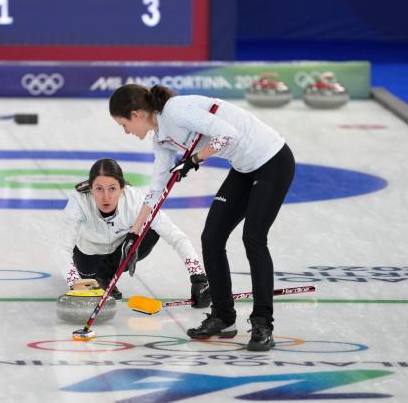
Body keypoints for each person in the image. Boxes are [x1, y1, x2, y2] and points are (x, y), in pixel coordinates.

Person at [109, 84, 295, 351]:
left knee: (253, 238)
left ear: (136, 114)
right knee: (212, 237)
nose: (126, 131)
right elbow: (156, 190)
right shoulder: (160, 138)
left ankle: (263, 323)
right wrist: (134, 233)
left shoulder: (175, 110)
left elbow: (226, 134)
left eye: (123, 124)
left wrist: (195, 159)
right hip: (244, 168)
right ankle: (223, 316)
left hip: (272, 160)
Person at [58, 158, 211, 307]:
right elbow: (62, 247)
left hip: (119, 252)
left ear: (122, 188)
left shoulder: (135, 201)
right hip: (88, 255)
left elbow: (175, 235)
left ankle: (105, 276)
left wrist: (198, 277)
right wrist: (74, 282)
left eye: (112, 188)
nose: (106, 197)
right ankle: (97, 275)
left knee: (151, 229)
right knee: (86, 275)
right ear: (91, 188)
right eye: (99, 189)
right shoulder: (78, 202)